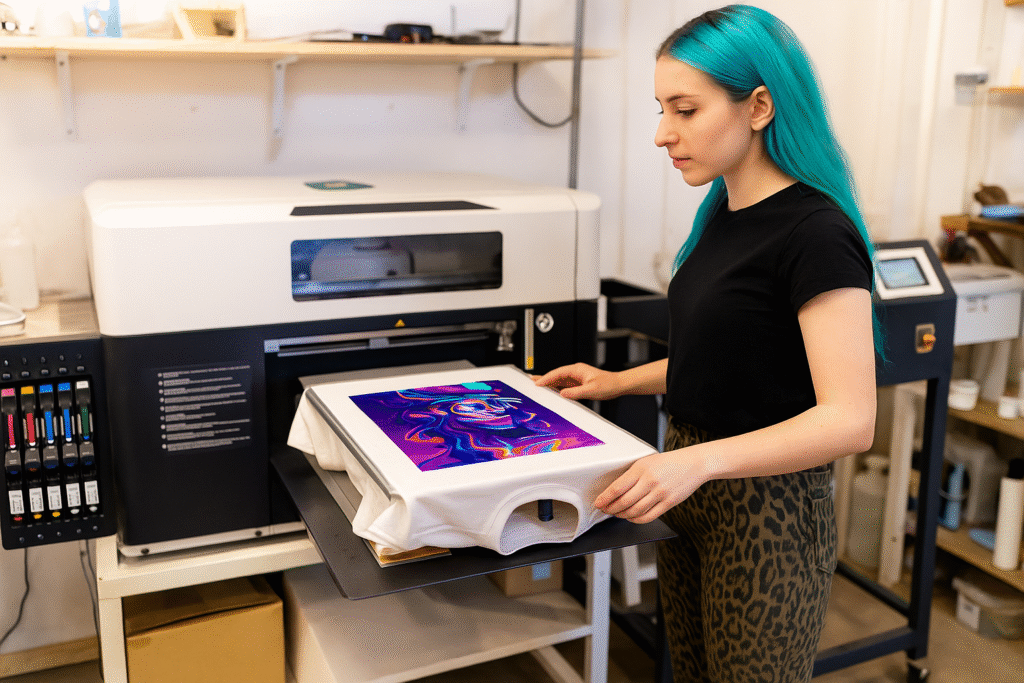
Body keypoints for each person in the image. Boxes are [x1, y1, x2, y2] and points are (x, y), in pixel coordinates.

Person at [534, 5, 879, 682]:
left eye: (684, 110)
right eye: (662, 109)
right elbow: (730, 361)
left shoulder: (815, 231)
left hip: (768, 513)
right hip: (691, 491)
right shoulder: (720, 213)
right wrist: (614, 382)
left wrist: (695, 464)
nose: (663, 134)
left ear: (758, 106)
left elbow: (851, 419)